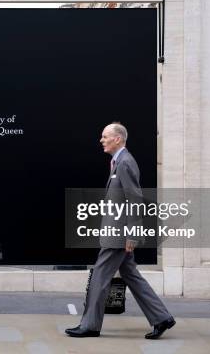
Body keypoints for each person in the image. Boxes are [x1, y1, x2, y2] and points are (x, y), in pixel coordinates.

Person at [65, 122, 175, 340]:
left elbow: (134, 199)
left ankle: (90, 325)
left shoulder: (125, 163)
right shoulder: (118, 162)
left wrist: (133, 234)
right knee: (131, 275)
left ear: (118, 139)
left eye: (105, 136)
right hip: (118, 232)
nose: (101, 140)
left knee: (99, 277)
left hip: (119, 235)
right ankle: (162, 317)